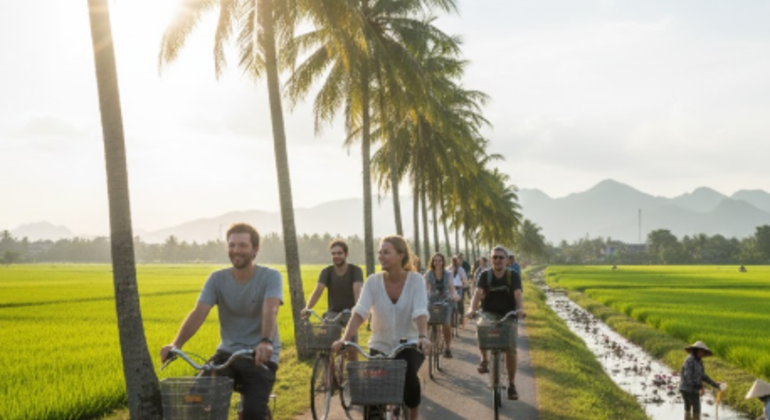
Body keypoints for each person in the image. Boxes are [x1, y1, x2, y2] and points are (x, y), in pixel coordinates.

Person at [160, 223, 282, 420]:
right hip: (226, 355)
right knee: (194, 400)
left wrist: (266, 341)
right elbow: (199, 312)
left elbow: (271, 309)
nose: (236, 250)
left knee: (252, 414)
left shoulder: (270, 276)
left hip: (260, 356)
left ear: (255, 249)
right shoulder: (217, 279)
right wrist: (176, 344)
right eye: (232, 245)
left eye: (242, 245)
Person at [332, 235, 431, 420]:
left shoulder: (416, 280)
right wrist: (345, 339)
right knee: (373, 392)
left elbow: (420, 310)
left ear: (401, 255)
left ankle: (413, 415)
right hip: (380, 344)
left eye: (386, 252)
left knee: (408, 376)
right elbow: (360, 312)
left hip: (410, 343)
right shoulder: (373, 281)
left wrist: (423, 336)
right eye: (380, 252)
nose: (381, 256)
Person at [468, 246, 526, 400]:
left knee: (510, 348)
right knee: (481, 328)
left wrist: (520, 310)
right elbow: (477, 293)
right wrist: (472, 309)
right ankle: (485, 360)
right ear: (491, 259)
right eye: (495, 257)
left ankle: (512, 385)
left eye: (501, 257)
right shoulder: (484, 275)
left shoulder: (513, 276)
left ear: (507, 260)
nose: (498, 260)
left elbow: (518, 294)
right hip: (488, 312)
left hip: (508, 314)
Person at [302, 238, 363, 361]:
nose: (336, 256)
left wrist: (358, 310)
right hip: (333, 313)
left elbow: (357, 289)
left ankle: (353, 376)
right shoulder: (327, 271)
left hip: (350, 313)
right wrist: (307, 308)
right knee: (327, 345)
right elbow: (318, 290)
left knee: (351, 347)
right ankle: (328, 375)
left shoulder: (355, 270)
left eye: (339, 253)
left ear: (346, 254)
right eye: (333, 253)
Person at [424, 252, 459, 358]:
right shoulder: (428, 274)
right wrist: (423, 298)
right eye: (436, 261)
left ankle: (447, 347)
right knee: (425, 321)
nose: (438, 262)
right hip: (432, 300)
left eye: (440, 260)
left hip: (446, 300)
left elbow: (451, 287)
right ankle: (425, 344)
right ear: (433, 262)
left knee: (446, 323)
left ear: (443, 262)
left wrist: (455, 295)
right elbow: (425, 289)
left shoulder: (448, 274)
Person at [679, 341, 724, 420]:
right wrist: (699, 386)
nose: (701, 353)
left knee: (694, 410)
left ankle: (689, 417)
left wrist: (715, 385)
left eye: (702, 352)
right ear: (695, 351)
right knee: (692, 409)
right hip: (686, 388)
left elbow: (702, 376)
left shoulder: (699, 361)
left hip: (694, 389)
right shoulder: (689, 360)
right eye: (700, 351)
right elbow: (688, 377)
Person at [449, 256, 469, 328]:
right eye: (453, 261)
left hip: (459, 287)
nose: (454, 262)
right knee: (449, 302)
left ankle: (461, 315)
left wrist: (465, 284)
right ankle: (450, 319)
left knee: (460, 300)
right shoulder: (449, 269)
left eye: (455, 261)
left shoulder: (461, 269)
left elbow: (464, 278)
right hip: (450, 288)